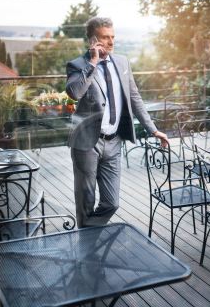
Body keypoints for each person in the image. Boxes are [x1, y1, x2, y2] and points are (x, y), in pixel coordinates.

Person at [66, 17, 168, 228]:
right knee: (85, 201)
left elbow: (134, 98)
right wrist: (93, 62)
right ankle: (87, 248)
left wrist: (153, 129)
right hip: (86, 142)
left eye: (113, 37)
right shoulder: (77, 65)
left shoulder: (122, 62)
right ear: (94, 40)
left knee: (112, 202)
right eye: (106, 37)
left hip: (114, 142)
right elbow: (75, 93)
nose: (111, 42)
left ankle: (88, 235)